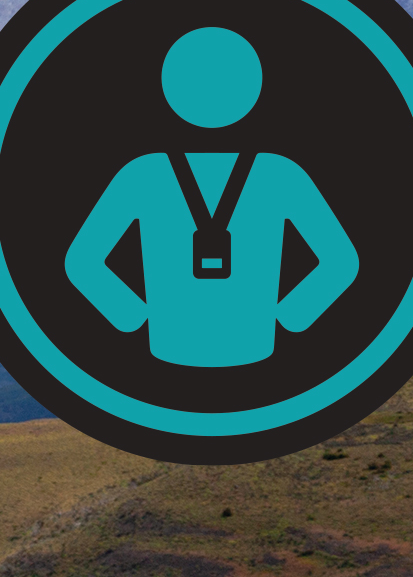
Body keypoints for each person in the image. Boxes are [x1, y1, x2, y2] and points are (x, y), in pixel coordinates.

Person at [64, 26, 356, 369]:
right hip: (254, 343)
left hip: (169, 344)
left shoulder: (142, 174)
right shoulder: (281, 173)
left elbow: (82, 262)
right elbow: (341, 262)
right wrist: (288, 317)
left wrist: (134, 317)